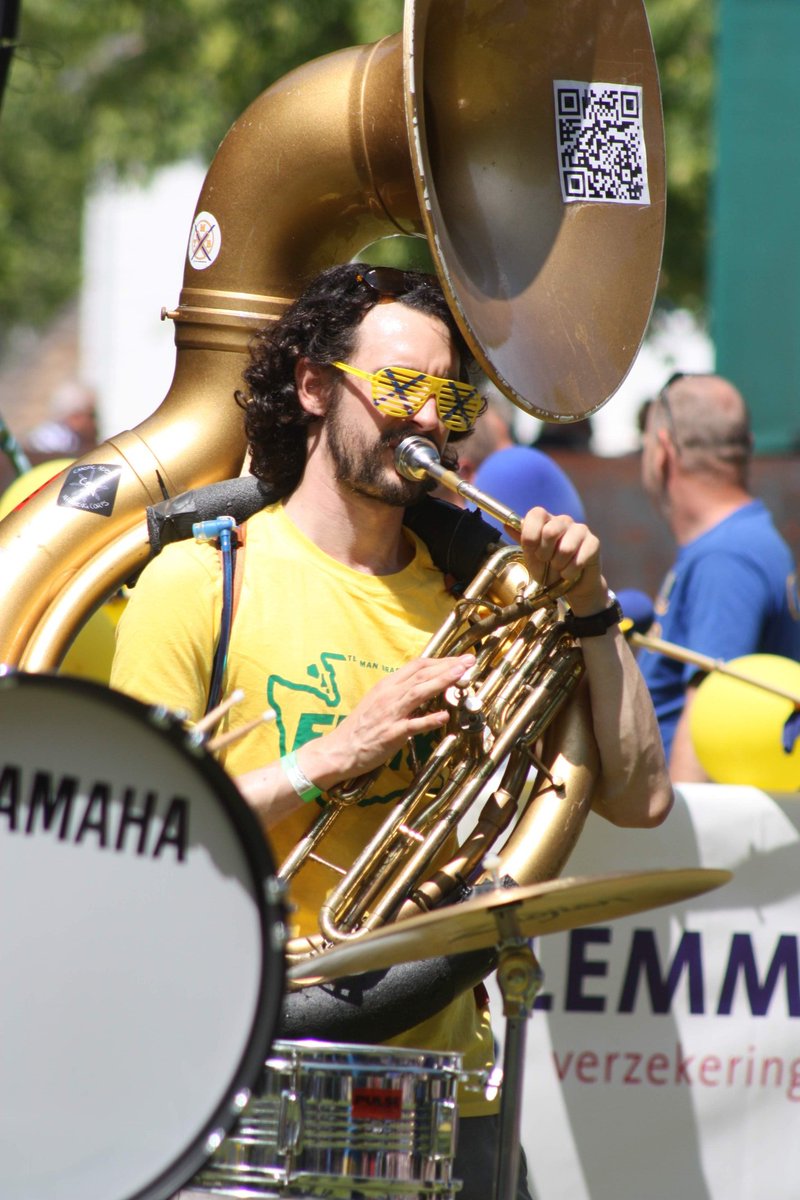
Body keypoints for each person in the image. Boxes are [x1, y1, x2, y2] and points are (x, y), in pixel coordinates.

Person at [110, 263, 673, 1199]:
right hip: (252, 1076)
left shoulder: (486, 603)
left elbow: (642, 797)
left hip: (454, 1088)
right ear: (314, 386)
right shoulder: (204, 583)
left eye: (448, 398)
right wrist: (334, 755)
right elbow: (136, 842)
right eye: (401, 387)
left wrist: (589, 605)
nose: (428, 421)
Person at [637, 371, 800, 781]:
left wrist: (671, 842)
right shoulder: (737, 543)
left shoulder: (726, 557)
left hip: (689, 832)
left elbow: (707, 719)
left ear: (663, 451)